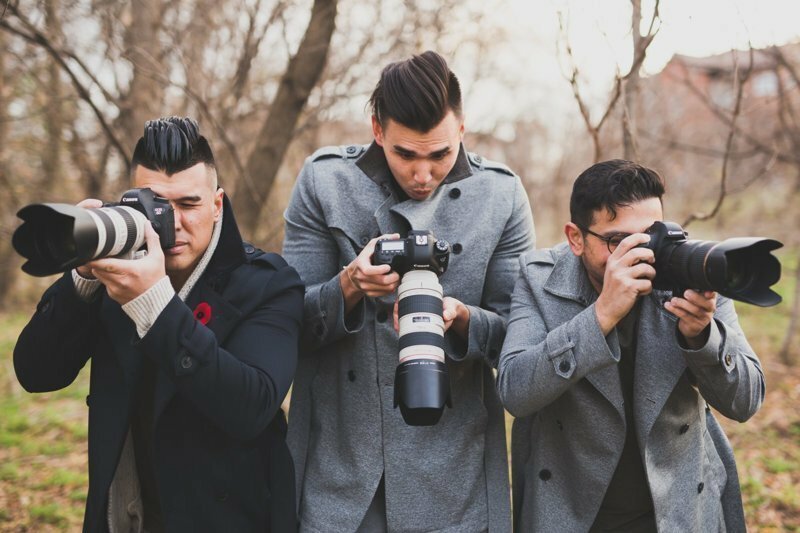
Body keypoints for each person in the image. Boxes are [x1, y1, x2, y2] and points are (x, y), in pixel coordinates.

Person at [283, 51, 535, 532]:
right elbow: (289, 325)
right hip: (340, 471)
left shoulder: (500, 196)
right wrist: (350, 284)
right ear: (378, 130)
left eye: (440, 154)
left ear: (461, 129)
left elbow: (518, 340)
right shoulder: (324, 181)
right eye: (406, 154)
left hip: (452, 474)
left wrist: (461, 319)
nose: (423, 175)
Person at [14, 116, 303, 532]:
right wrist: (82, 278)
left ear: (218, 204)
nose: (174, 224)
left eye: (189, 205)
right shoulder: (114, 276)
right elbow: (36, 373)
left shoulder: (268, 283)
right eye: (157, 206)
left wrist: (155, 303)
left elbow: (251, 407)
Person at [497, 159, 763, 532]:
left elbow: (746, 402)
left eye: (651, 234)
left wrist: (703, 336)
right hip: (575, 512)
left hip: (678, 510)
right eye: (618, 241)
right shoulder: (539, 278)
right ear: (576, 237)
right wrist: (600, 316)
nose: (642, 254)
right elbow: (515, 391)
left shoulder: (693, 271)